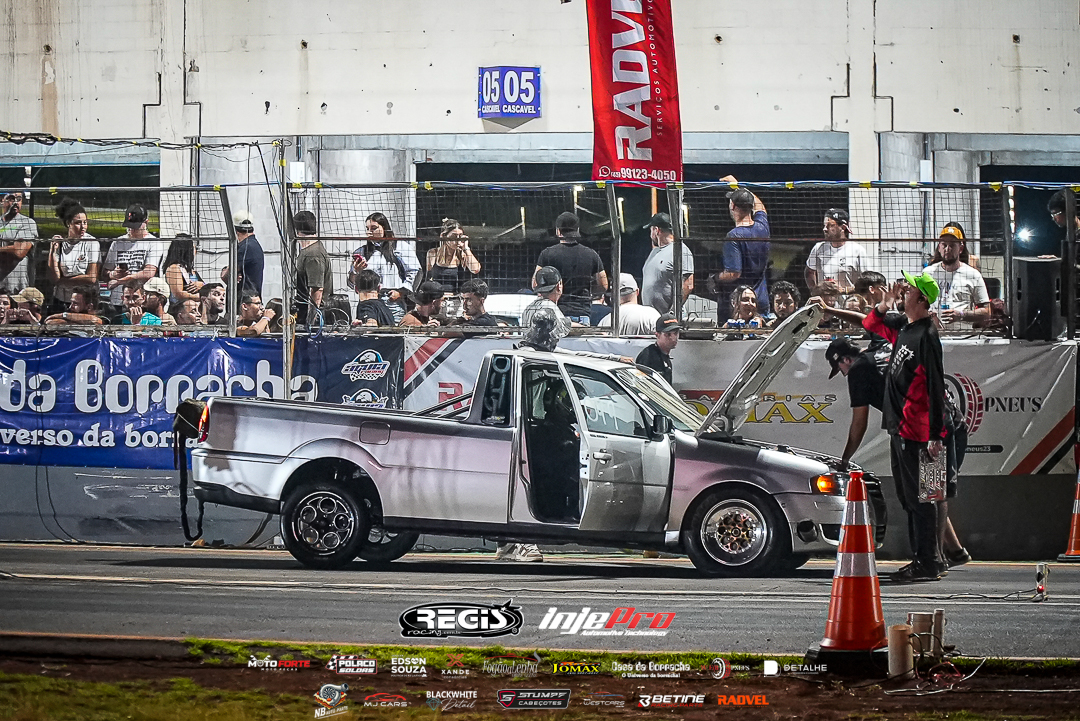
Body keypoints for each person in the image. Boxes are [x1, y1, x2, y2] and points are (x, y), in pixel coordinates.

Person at [863, 271, 947, 583]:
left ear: (922, 299)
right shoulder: (904, 327)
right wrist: (885, 304)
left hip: (918, 430)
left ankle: (927, 562)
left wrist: (936, 434)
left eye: (910, 289)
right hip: (900, 427)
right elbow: (870, 324)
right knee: (909, 497)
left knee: (922, 498)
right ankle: (926, 559)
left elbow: (936, 386)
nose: (904, 290)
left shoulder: (927, 335)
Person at [533, 211, 608, 324]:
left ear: (558, 231)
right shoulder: (591, 254)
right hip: (582, 313)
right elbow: (603, 285)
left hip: (556, 313)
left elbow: (535, 283)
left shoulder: (547, 254)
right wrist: (589, 290)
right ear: (577, 230)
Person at [713, 176, 770, 322]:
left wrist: (715, 278)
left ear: (732, 206)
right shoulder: (762, 227)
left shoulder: (733, 236)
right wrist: (738, 186)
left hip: (740, 305)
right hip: (759, 301)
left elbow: (734, 273)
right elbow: (761, 207)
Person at [349, 212, 420, 324]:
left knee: (392, 331)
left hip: (392, 300)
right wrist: (356, 271)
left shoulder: (399, 247)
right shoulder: (362, 252)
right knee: (368, 330)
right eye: (367, 229)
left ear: (384, 228)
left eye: (374, 228)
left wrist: (401, 292)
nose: (369, 232)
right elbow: (352, 283)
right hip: (369, 300)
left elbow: (415, 271)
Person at [925, 224, 990, 330]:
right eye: (944, 245)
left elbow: (987, 312)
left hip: (962, 336)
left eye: (952, 245)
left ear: (961, 248)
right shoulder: (928, 273)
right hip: (933, 335)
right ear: (939, 247)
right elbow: (916, 304)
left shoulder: (973, 275)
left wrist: (961, 315)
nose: (947, 249)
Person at [102, 204, 161, 312]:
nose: (132, 230)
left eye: (136, 227)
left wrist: (120, 281)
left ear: (146, 222)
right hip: (118, 301)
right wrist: (113, 274)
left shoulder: (153, 242)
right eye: (129, 226)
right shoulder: (118, 242)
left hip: (141, 301)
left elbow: (148, 272)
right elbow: (105, 273)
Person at [47, 197, 100, 311]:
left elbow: (91, 277)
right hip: (61, 299)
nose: (83, 227)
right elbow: (54, 277)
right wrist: (53, 251)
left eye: (85, 222)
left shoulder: (91, 242)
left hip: (82, 302)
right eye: (78, 223)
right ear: (68, 223)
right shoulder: (60, 243)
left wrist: (63, 281)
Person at [640, 212, 694, 314]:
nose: (650, 235)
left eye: (651, 230)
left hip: (669, 317)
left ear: (657, 230)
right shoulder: (655, 252)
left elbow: (688, 285)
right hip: (652, 317)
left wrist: (673, 312)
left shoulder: (680, 250)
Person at [805, 208, 867, 293]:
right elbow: (809, 272)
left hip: (848, 300)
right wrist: (815, 291)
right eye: (824, 225)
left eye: (830, 225)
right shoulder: (818, 248)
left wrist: (844, 290)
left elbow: (866, 281)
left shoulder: (857, 251)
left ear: (843, 227)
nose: (825, 229)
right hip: (824, 301)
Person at [294, 210, 333, 326]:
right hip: (305, 310)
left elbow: (317, 290)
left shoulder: (313, 254)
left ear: (296, 230)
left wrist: (310, 321)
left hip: (315, 315)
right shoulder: (308, 251)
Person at [425, 218, 480, 294]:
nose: (457, 240)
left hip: (456, 297)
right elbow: (428, 278)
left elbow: (475, 270)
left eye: (460, 236)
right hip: (437, 297)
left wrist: (466, 248)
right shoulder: (433, 253)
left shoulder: (462, 254)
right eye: (454, 236)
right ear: (444, 236)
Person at [0, 191, 37, 294]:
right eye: (12, 198)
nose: (16, 202)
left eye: (19, 199)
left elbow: (19, 251)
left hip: (19, 290)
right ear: (2, 200)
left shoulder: (28, 223)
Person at [221, 211, 264, 297]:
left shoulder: (246, 248)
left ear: (235, 230)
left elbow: (226, 276)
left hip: (244, 300)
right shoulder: (253, 245)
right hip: (250, 298)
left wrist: (226, 272)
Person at [635, 313, 682, 385]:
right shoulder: (648, 356)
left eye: (676, 333)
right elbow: (641, 384)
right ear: (657, 335)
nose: (673, 338)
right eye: (668, 334)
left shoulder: (665, 358)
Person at [162, 234, 203, 305]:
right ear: (187, 250)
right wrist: (201, 297)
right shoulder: (174, 268)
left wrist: (202, 285)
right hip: (180, 308)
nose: (196, 251)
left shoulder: (190, 270)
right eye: (193, 248)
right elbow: (179, 294)